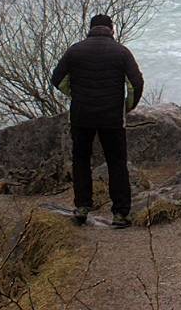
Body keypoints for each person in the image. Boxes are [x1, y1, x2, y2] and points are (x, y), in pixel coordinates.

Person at [51, 13, 144, 228]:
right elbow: (135, 83)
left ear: (90, 29)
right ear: (112, 29)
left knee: (81, 161)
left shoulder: (75, 50)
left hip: (81, 116)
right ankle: (120, 214)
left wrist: (74, 94)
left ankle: (82, 207)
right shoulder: (121, 52)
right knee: (117, 163)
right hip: (112, 117)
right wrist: (127, 106)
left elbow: (57, 79)